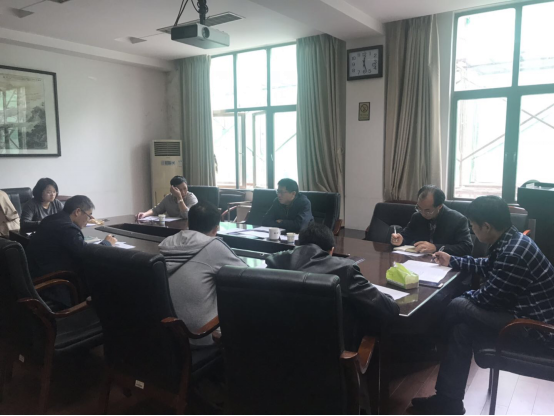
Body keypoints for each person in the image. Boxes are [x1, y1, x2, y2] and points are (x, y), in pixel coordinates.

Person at [411, 196, 554, 415]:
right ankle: (448, 402)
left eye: (473, 226)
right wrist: (452, 260)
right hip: (520, 312)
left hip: (533, 328)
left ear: (486, 226)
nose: (472, 230)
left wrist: (464, 296)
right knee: (461, 329)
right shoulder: (511, 239)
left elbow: (487, 299)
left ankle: (428, 343)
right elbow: (487, 265)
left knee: (456, 305)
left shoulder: (513, 253)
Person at [266, 222, 400, 350]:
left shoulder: (274, 263)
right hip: (332, 355)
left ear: (299, 244)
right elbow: (389, 309)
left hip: (279, 350)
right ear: (331, 250)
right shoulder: (344, 270)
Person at [159, 201, 247, 348]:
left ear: (188, 223)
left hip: (167, 333)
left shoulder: (168, 242)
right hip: (199, 335)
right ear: (216, 228)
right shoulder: (212, 245)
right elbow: (246, 275)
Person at [26, 195, 117, 308]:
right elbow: (86, 254)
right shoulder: (68, 228)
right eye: (89, 215)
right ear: (77, 212)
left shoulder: (50, 219)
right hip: (55, 281)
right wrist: (107, 243)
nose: (89, 219)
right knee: (102, 272)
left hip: (36, 273)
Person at [391, 185, 473, 256]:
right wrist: (400, 240)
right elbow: (407, 236)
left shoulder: (458, 220)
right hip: (420, 261)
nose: (423, 213)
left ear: (439, 206)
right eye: (419, 208)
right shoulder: (417, 217)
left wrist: (435, 247)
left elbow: (466, 248)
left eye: (428, 210)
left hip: (446, 264)